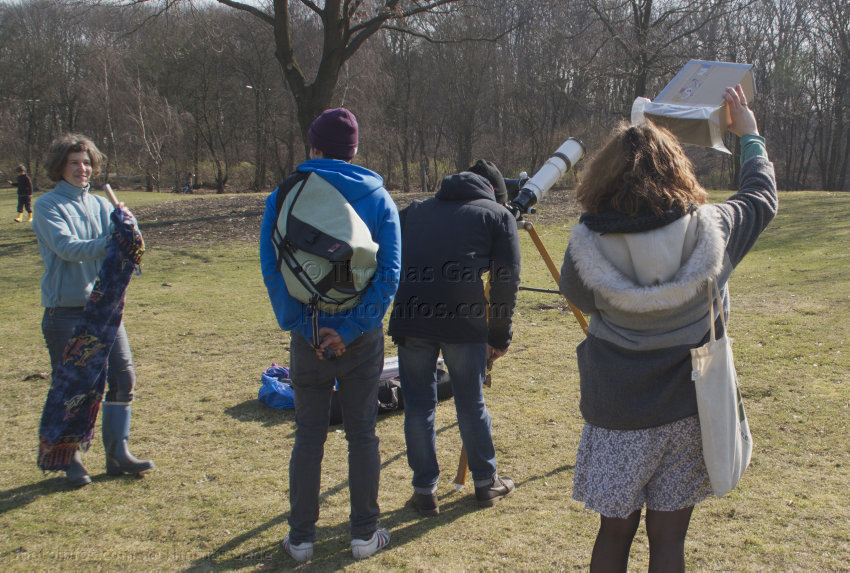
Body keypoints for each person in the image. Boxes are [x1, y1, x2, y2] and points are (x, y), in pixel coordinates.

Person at [558, 84, 777, 571]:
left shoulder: (585, 247)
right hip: (690, 406)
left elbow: (577, 295)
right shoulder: (714, 228)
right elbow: (761, 196)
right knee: (669, 539)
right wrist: (750, 135)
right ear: (678, 169)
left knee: (613, 534)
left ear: (604, 178)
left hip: (616, 409)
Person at [259, 108, 401, 562]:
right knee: (362, 435)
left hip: (308, 336)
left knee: (308, 436)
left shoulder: (285, 194)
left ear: (314, 148)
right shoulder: (379, 199)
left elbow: (272, 267)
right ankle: (364, 535)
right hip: (361, 339)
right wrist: (353, 328)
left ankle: (300, 539)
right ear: (355, 150)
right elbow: (389, 275)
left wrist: (306, 327)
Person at [388, 159, 521, 516]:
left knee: (418, 405)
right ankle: (485, 483)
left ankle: (424, 491)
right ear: (494, 193)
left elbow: (389, 258)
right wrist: (499, 335)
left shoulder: (413, 211)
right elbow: (506, 280)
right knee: (470, 402)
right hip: (464, 320)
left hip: (412, 315)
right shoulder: (496, 215)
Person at [32, 133, 154, 487]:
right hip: (65, 312)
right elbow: (67, 248)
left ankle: (118, 454)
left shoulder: (103, 205)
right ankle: (70, 459)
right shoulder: (47, 206)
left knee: (123, 379)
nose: (82, 169)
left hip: (104, 309)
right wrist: (114, 243)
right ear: (60, 167)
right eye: (74, 163)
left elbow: (120, 245)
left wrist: (130, 233)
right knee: (73, 388)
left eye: (86, 163)